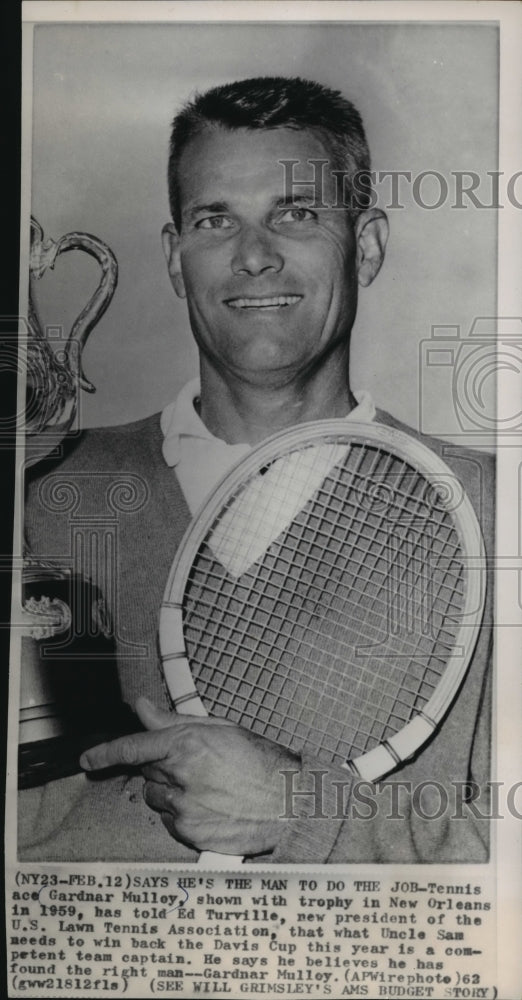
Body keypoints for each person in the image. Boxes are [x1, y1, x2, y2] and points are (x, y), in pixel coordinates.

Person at [20, 76, 493, 863]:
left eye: (297, 214)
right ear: (175, 259)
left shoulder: (492, 510)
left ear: (367, 245)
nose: (254, 256)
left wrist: (299, 812)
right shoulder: (41, 494)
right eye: (215, 220)